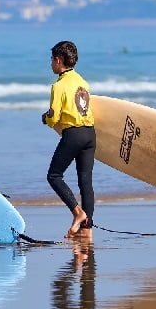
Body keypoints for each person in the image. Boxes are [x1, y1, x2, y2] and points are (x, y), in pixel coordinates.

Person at [42, 41, 96, 239]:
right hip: (90, 133)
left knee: (54, 176)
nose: (50, 64)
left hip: (73, 135)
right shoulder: (83, 82)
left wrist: (45, 118)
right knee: (86, 182)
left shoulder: (58, 86)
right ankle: (87, 230)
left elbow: (54, 116)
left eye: (51, 60)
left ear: (58, 60)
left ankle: (77, 212)